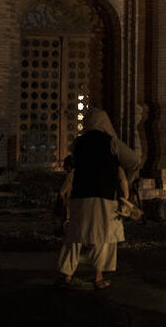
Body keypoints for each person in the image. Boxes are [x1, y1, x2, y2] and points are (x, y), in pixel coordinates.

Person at [57, 108, 138, 289]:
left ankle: (67, 275)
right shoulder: (111, 143)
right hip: (104, 196)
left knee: (75, 235)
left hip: (80, 195)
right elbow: (133, 160)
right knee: (104, 237)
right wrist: (127, 177)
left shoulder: (78, 143)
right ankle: (98, 277)